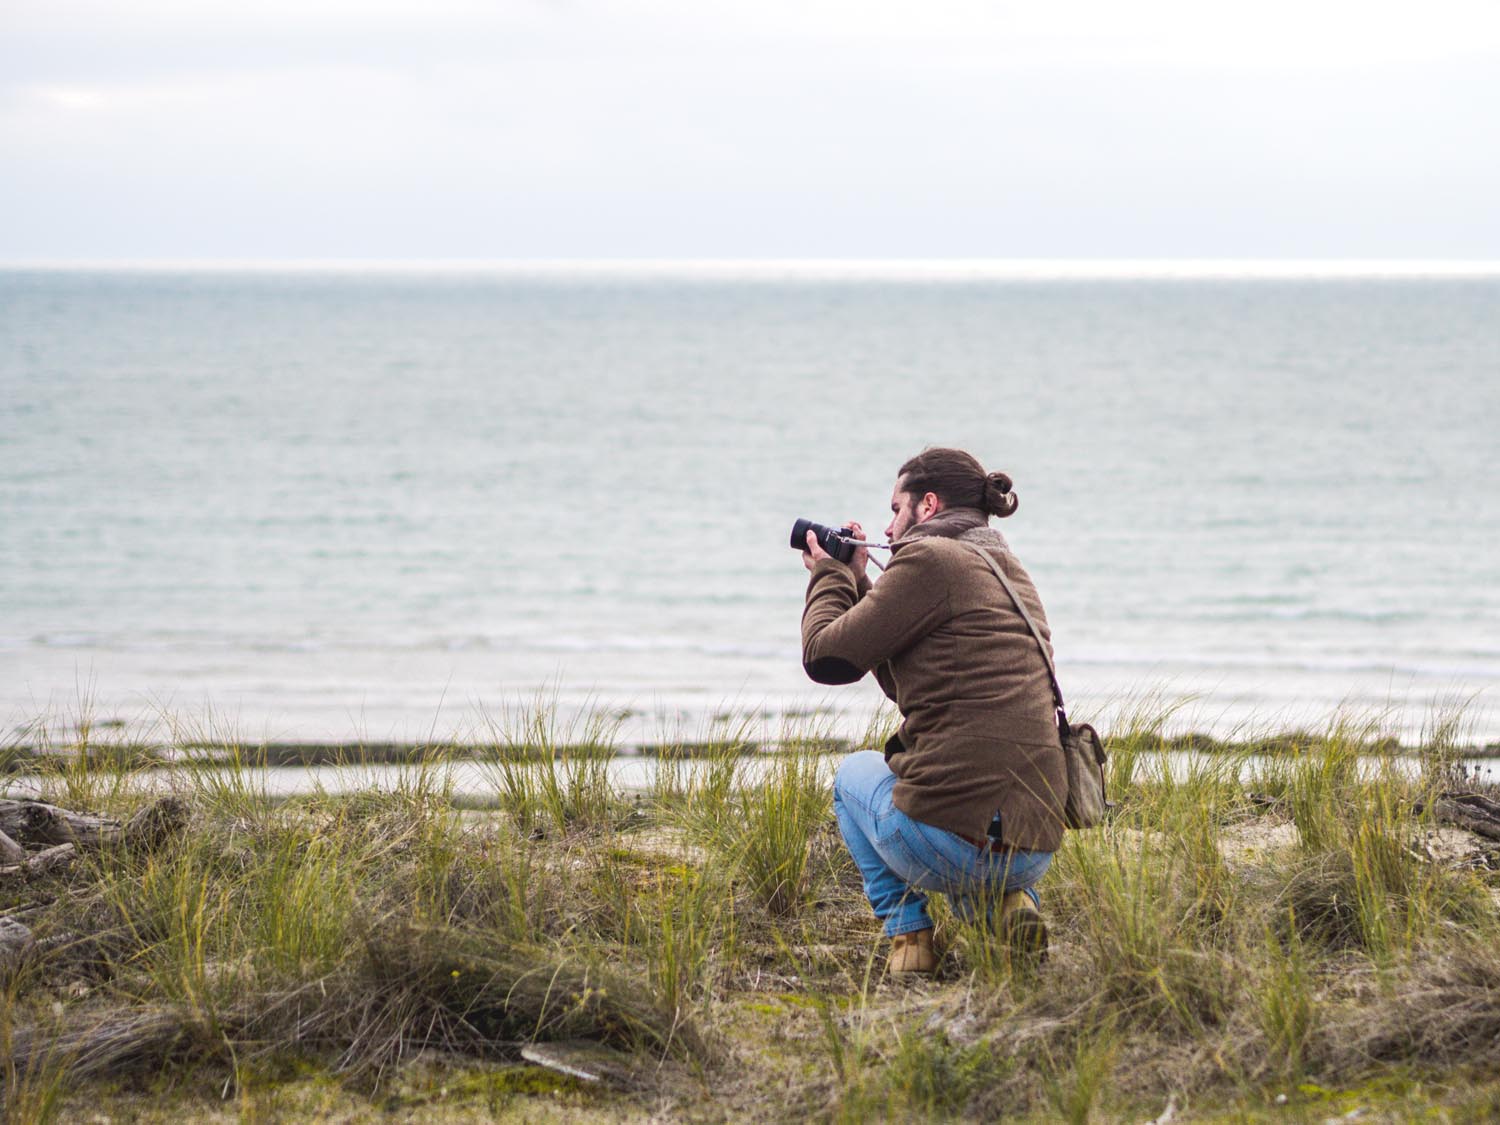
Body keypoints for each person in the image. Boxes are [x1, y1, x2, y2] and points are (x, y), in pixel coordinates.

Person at [799, 447, 1066, 975]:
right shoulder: (1008, 571)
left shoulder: (928, 560)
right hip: (1034, 846)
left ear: (928, 505)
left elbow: (826, 658)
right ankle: (1012, 904)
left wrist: (830, 575)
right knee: (976, 838)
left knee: (852, 775)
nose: (888, 527)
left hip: (950, 843)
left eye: (895, 510)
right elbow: (912, 682)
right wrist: (862, 585)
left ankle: (909, 939)